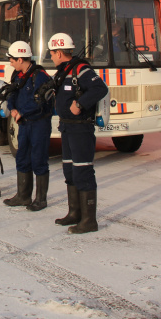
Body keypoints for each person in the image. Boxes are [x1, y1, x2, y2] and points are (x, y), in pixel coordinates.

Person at [48, 33, 108, 234]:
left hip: (81, 128)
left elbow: (100, 88)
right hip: (67, 127)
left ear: (59, 52)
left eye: (52, 53)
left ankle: (89, 221)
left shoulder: (81, 69)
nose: (51, 57)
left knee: (83, 171)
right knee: (69, 171)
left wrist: (80, 104)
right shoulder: (63, 71)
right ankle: (74, 213)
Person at [3, 41, 53, 211]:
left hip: (39, 124)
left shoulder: (40, 76)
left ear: (20, 59)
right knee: (22, 157)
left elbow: (40, 101)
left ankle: (40, 199)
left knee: (39, 159)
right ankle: (23, 196)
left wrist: (22, 112)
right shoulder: (17, 75)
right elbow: (11, 93)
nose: (10, 63)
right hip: (24, 124)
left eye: (12, 60)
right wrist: (12, 108)